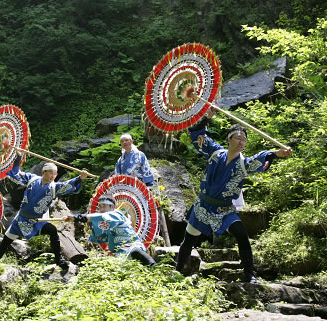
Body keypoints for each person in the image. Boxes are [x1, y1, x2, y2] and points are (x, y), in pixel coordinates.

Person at [176, 107, 292, 283]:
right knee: (189, 239)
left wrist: (276, 153)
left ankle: (249, 274)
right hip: (203, 205)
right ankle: (177, 271)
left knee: (241, 233)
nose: (242, 142)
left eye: (244, 139)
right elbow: (196, 133)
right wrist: (208, 117)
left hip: (224, 209)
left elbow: (261, 158)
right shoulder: (215, 152)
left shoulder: (244, 164)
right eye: (238, 137)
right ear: (228, 139)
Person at [0, 155, 87, 268]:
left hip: (37, 220)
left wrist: (80, 178)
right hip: (21, 220)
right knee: (5, 242)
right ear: (43, 172)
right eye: (50, 173)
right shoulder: (32, 179)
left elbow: (68, 186)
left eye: (55, 173)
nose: (53, 176)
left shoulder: (53, 187)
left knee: (52, 231)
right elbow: (16, 173)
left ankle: (59, 260)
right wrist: (18, 157)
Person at [64, 197, 155, 266]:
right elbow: (99, 228)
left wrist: (76, 217)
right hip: (119, 252)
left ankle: (154, 267)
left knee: (138, 253)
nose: (101, 209)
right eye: (100, 206)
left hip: (132, 245)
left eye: (104, 206)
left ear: (112, 206)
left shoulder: (115, 214)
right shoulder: (106, 220)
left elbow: (98, 217)